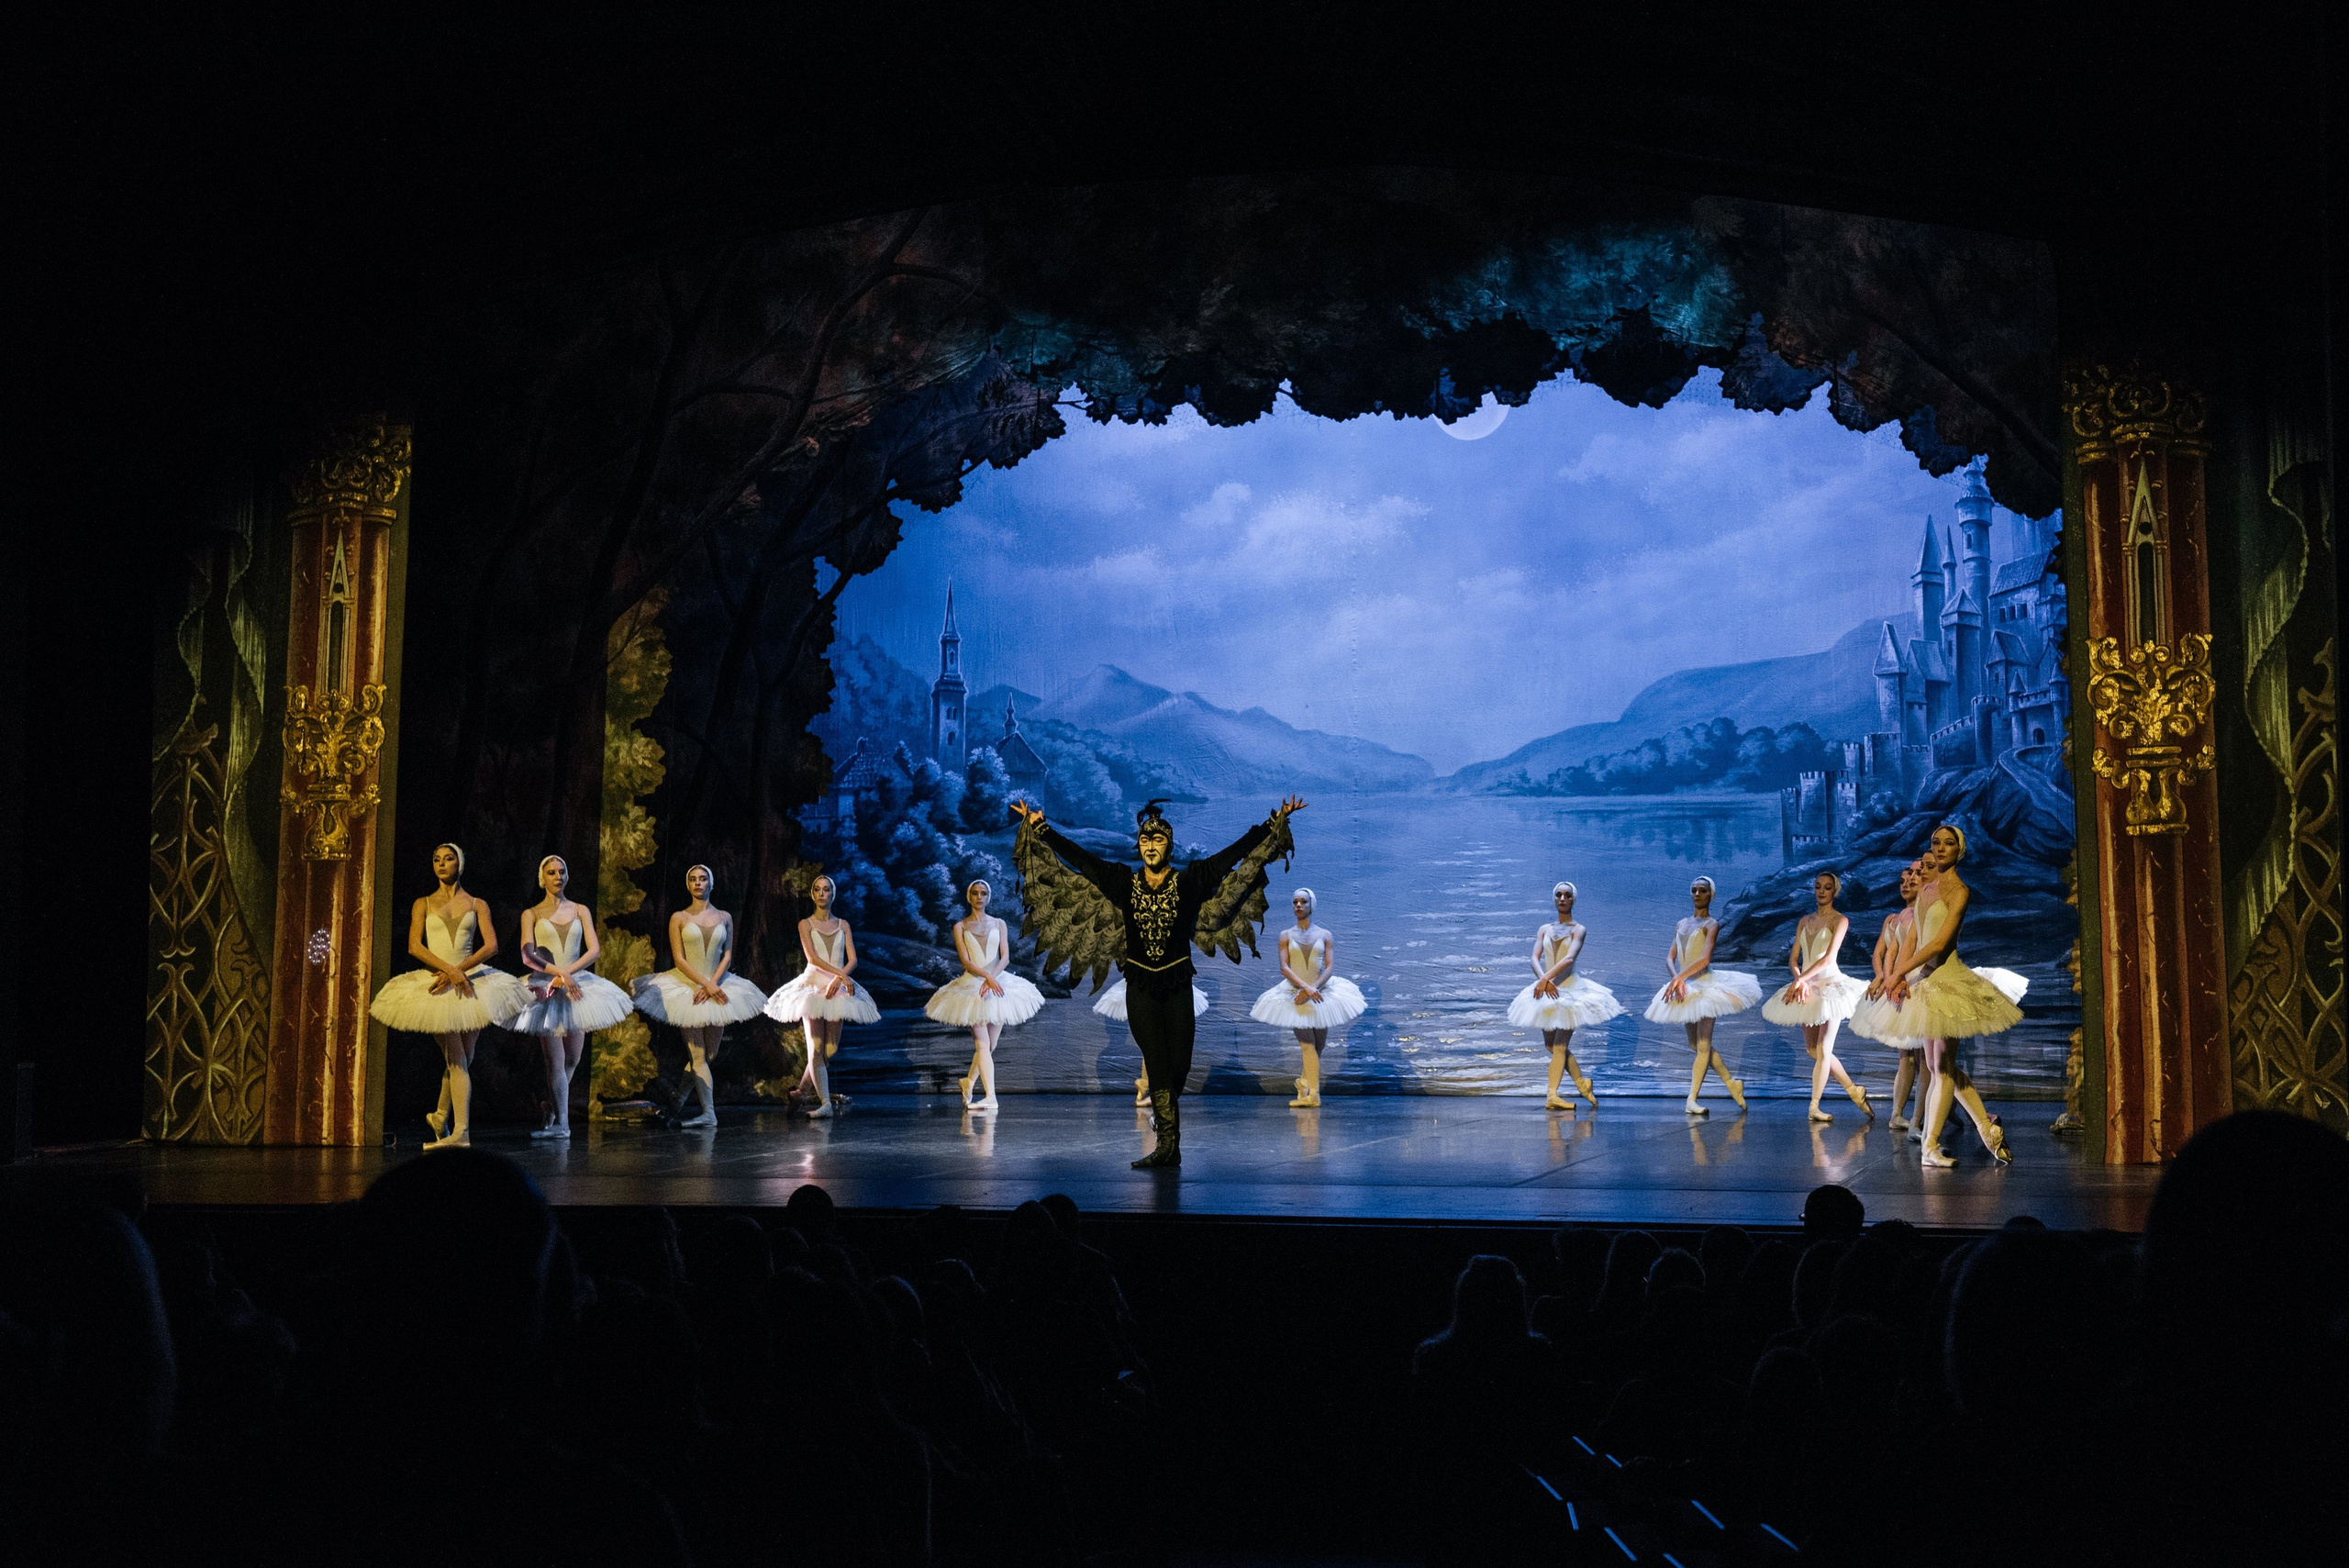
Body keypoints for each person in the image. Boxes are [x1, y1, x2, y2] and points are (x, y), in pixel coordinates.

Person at [1014, 795, 1303, 1168]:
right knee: (1158, 1061)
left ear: (1169, 845)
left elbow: (1233, 854)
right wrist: (1042, 829)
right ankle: (1169, 1145)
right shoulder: (1122, 882)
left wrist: (1272, 823)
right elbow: (1082, 861)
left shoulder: (1191, 880)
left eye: (1159, 841)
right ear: (1139, 846)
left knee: (1179, 1064)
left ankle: (1164, 1122)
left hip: (1177, 983)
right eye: (1146, 842)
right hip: (1141, 988)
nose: (1152, 847)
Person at [369, 843, 531, 1150]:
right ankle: (461, 1132)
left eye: (448, 858)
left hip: (472, 984)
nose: (442, 864)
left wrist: (459, 971)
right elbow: (415, 946)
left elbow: (491, 945)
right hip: (437, 985)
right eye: (437, 860)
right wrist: (448, 971)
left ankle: (440, 1115)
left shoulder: (477, 904)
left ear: (461, 863)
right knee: (457, 1058)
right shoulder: (423, 903)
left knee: (464, 1058)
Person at [1884, 824, 2027, 1167]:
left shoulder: (1959, 891)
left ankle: (1931, 1145)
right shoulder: (1927, 890)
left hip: (1949, 982)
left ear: (1959, 850)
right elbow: (1913, 940)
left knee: (1942, 1067)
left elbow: (1939, 943)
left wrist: (1901, 973)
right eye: (1936, 842)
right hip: (1926, 981)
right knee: (1936, 1065)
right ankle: (1985, 1130)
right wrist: (1897, 976)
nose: (1942, 848)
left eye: (1949, 843)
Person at [630, 864, 768, 1129]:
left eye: (702, 879)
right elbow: (679, 958)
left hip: (718, 985)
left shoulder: (725, 917)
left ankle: (678, 1097)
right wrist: (704, 984)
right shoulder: (679, 917)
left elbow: (727, 954)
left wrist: (713, 984)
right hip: (687, 988)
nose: (697, 883)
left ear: (711, 883)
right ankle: (709, 1113)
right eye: (692, 879)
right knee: (697, 1055)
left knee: (709, 1055)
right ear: (687, 884)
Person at [511, 855, 635, 1139]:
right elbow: (527, 954)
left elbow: (593, 950)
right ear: (542, 878)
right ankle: (562, 1126)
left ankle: (551, 1110)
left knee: (573, 1059)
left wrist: (567, 974)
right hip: (547, 989)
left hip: (575, 985)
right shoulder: (531, 913)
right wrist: (558, 975)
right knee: (555, 1061)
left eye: (562, 871)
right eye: (551, 872)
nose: (557, 876)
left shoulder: (580, 910)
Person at [1643, 875, 1762, 1116]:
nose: (1697, 894)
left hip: (1706, 986)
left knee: (1704, 1044)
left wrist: (1679, 978)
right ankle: (1732, 1083)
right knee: (1695, 1044)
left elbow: (1704, 959)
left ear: (1711, 895)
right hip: (1686, 986)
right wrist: (1676, 978)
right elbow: (1670, 957)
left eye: (1702, 891)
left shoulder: (1711, 924)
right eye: (1694, 890)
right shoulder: (1681, 924)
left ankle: (1692, 1099)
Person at [762, 873, 878, 1118]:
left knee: (830, 1051)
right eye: (818, 890)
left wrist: (840, 978)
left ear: (833, 894)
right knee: (815, 1049)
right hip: (814, 985)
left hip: (837, 988)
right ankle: (825, 1104)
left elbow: (853, 959)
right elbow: (813, 958)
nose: (822, 894)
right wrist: (840, 975)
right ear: (813, 894)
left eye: (826, 890)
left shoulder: (842, 924)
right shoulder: (806, 924)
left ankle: (800, 1092)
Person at [1761, 871, 1873, 1123]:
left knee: (1823, 1048)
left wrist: (1802, 979)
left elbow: (1828, 958)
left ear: (1835, 891)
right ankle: (1854, 1090)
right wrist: (1799, 978)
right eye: (1818, 887)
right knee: (1813, 1049)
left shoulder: (1840, 920)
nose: (1822, 891)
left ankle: (1814, 1106)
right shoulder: (1804, 921)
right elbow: (1793, 959)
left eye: (1827, 887)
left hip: (1831, 986)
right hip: (1807, 987)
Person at [924, 879, 1045, 1111]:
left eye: (983, 894)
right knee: (982, 1044)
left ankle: (969, 1081)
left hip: (998, 983)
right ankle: (990, 1097)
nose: (979, 897)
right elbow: (966, 961)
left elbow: (1006, 957)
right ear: (969, 897)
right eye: (975, 893)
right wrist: (986, 978)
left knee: (991, 1045)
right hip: (973, 987)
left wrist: (993, 978)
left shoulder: (999, 924)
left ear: (989, 898)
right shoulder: (960, 926)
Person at [1504, 882, 1620, 1112]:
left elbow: (1568, 959)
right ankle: (1582, 1083)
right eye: (1558, 895)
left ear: (1573, 899)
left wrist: (1546, 980)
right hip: (1546, 988)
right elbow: (1534, 958)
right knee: (1551, 1045)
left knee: (1559, 1045)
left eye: (1567, 895)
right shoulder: (1544, 929)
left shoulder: (1579, 929)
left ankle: (1552, 1095)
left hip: (1570, 990)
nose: (1562, 899)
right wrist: (1543, 981)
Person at [1249, 887, 1366, 1107]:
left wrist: (1313, 988)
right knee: (1307, 1044)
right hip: (1295, 994)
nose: (1298, 906)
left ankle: (1304, 1083)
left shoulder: (1325, 935)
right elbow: (1284, 967)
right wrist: (1305, 988)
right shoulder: (1285, 935)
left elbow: (1329, 967)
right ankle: (1313, 1095)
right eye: (1295, 902)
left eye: (1303, 902)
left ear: (1312, 904)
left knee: (1318, 1046)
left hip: (1321, 992)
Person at [1849, 860, 1929, 1130]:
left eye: (1913, 878)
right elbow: (1882, 953)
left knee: (1924, 1057)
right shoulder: (1894, 919)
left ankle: (1928, 1112)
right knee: (1909, 1054)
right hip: (1900, 985)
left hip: (1916, 981)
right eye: (1903, 880)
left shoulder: (1924, 912)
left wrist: (1893, 977)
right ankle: (1900, 1113)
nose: (1906, 883)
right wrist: (1883, 976)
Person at [1094, 979, 1207, 1106]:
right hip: (1146, 981)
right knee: (1155, 1044)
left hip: (1168, 980)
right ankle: (1151, 1087)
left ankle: (1149, 1086)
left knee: (1162, 1044)